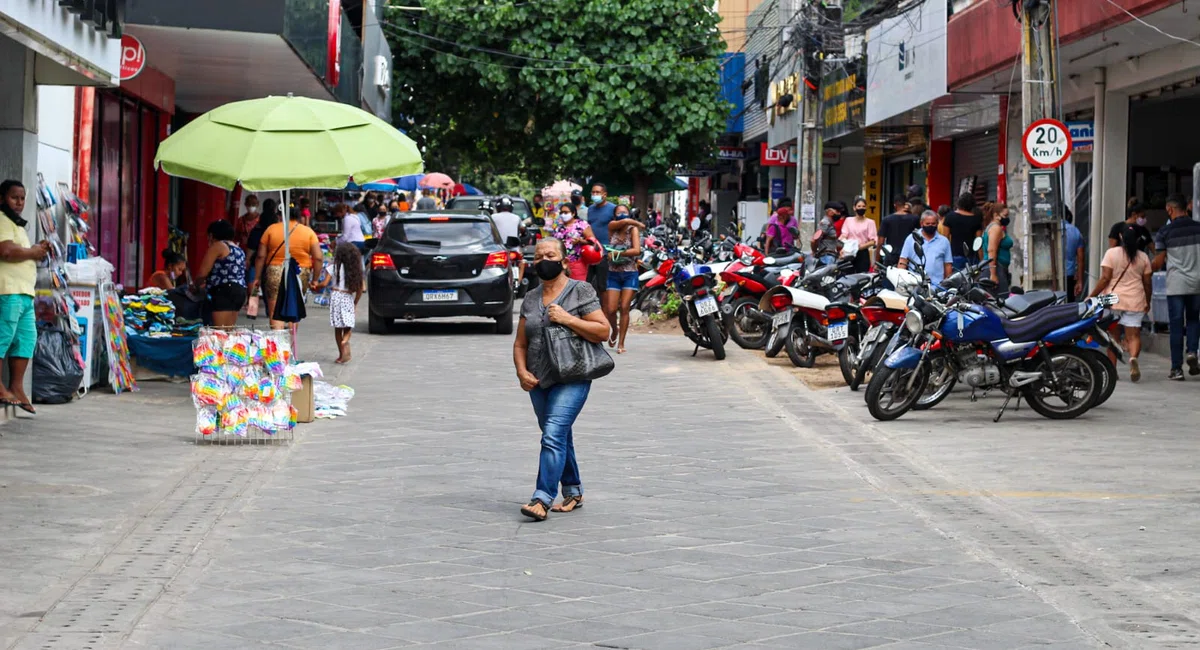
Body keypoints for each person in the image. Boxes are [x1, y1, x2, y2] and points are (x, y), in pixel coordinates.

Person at [513, 237, 610, 521]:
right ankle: (573, 490)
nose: (545, 260)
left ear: (564, 261)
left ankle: (541, 498)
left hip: (574, 374)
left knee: (553, 433)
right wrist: (521, 371)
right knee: (558, 435)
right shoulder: (531, 298)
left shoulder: (580, 291)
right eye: (539, 256)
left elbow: (603, 331)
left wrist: (568, 319)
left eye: (551, 255)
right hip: (539, 379)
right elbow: (520, 343)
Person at [0, 180, 50, 414]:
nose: (19, 202)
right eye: (14, 198)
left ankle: (17, 387)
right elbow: (6, 251)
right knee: (2, 340)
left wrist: (36, 250)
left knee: (25, 341)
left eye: (22, 198)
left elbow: (19, 251)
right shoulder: (1, 219)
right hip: (7, 290)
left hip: (24, 293)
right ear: (2, 199)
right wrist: (33, 252)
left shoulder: (17, 225)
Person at [1089, 224, 1152, 382]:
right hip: (1135, 300)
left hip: (1112, 300)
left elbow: (1105, 279)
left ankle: (1112, 370)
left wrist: (1092, 296)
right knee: (1133, 336)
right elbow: (1147, 283)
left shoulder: (1111, 253)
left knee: (1113, 337)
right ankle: (1133, 358)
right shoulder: (1143, 257)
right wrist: (1147, 300)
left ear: (1121, 237)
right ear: (1138, 239)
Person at [250, 208, 323, 330]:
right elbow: (318, 258)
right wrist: (315, 280)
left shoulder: (271, 229)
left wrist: (257, 277)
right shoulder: (308, 232)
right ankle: (290, 345)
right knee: (294, 308)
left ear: (279, 216)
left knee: (274, 310)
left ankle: (279, 345)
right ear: (299, 217)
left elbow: (260, 256)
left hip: (275, 270)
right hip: (300, 272)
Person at [1153, 193, 1200, 380]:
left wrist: (1143, 269)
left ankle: (1176, 369)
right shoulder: (1198, 228)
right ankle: (1192, 352)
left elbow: (1158, 261)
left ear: (1169, 209)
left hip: (1176, 284)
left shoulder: (1165, 232)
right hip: (1197, 283)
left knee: (1176, 325)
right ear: (1186, 207)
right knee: (1194, 320)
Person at [313, 242, 364, 364]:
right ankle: (345, 340)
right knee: (348, 325)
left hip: (336, 296)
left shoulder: (333, 267)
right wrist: (355, 302)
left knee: (338, 328)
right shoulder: (355, 270)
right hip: (347, 297)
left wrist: (316, 285)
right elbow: (360, 289)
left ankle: (341, 355)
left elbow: (324, 284)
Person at [603, 204, 641, 354]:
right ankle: (614, 330)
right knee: (611, 309)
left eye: (625, 212)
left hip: (630, 273)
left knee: (625, 307)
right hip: (613, 273)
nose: (622, 214)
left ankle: (621, 342)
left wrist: (618, 253)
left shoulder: (633, 230)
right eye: (619, 212)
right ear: (614, 216)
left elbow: (637, 250)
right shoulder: (612, 228)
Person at [195, 220, 247, 327]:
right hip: (239, 291)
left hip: (224, 291)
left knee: (219, 332)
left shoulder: (218, 246)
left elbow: (202, 273)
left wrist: (194, 286)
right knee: (228, 330)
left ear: (211, 235)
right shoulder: (238, 249)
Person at [898, 211, 954, 287]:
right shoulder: (911, 238)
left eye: (933, 223)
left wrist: (947, 285)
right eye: (927, 224)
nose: (930, 226)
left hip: (937, 286)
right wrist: (900, 282)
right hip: (915, 285)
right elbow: (903, 261)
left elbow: (947, 265)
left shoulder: (944, 241)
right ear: (921, 224)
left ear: (937, 223)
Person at [585, 183, 617, 297]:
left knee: (603, 286)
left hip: (606, 253)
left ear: (604, 194)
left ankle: (605, 312)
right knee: (587, 284)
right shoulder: (590, 209)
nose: (595, 195)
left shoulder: (613, 209)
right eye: (593, 192)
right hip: (591, 252)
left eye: (597, 192)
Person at [552, 203, 597, 281]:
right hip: (560, 263)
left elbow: (592, 242)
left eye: (566, 212)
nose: (563, 215)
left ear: (573, 213)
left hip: (577, 262)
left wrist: (580, 241)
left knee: (577, 287)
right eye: (561, 213)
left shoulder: (582, 224)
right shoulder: (558, 226)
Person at [942, 193, 983, 270]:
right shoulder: (976, 219)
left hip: (954, 255)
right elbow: (978, 242)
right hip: (972, 256)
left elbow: (945, 239)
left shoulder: (950, 217)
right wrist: (982, 260)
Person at [878, 195, 919, 266]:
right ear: (905, 204)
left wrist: (877, 261)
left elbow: (880, 242)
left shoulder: (887, 220)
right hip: (909, 257)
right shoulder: (914, 219)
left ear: (895, 205)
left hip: (891, 256)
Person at [982, 203, 1015, 291]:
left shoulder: (992, 227)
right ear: (996, 215)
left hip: (998, 268)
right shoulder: (995, 228)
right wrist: (993, 274)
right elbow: (991, 250)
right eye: (1005, 215)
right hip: (996, 268)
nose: (1007, 218)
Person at [842, 197, 877, 273]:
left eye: (863, 206)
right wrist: (842, 245)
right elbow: (844, 235)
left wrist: (861, 247)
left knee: (862, 276)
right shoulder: (848, 220)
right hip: (849, 252)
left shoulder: (870, 222)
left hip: (862, 252)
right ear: (854, 208)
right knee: (847, 275)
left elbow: (873, 241)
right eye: (859, 206)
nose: (861, 208)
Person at [1063, 208, 1085, 302]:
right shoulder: (1075, 231)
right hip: (1069, 277)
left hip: (1049, 277)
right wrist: (1080, 281)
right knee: (1068, 308)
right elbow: (1081, 258)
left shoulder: (1049, 228)